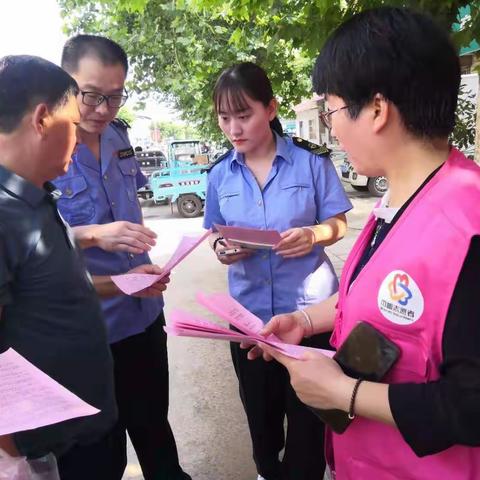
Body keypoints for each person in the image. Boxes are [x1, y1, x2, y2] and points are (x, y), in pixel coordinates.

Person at [252, 7, 480, 479]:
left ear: (377, 109)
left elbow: (472, 403)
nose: (332, 126)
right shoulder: (399, 200)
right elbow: (374, 294)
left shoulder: (468, 226)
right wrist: (303, 320)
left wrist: (344, 395)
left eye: (332, 109)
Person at [0, 55, 168, 466]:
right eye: (74, 120)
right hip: (46, 439)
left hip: (83, 412)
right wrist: (10, 441)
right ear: (43, 118)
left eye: (115, 98)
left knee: (152, 436)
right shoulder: (7, 212)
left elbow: (51, 291)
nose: (80, 134)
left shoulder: (37, 197)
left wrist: (128, 281)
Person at [203, 62, 352, 480]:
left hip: (310, 316)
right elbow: (214, 231)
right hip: (249, 321)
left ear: (270, 108)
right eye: (224, 117)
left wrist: (314, 234)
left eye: (244, 114)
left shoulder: (310, 164)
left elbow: (339, 223)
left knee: (309, 422)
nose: (234, 127)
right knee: (261, 420)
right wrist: (222, 248)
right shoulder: (219, 175)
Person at [53, 35, 191, 480]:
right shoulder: (45, 148)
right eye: (91, 95)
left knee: (155, 431)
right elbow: (26, 240)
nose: (102, 109)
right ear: (65, 84)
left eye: (114, 97)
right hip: (89, 329)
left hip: (143, 313)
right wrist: (94, 235)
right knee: (101, 452)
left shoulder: (117, 137)